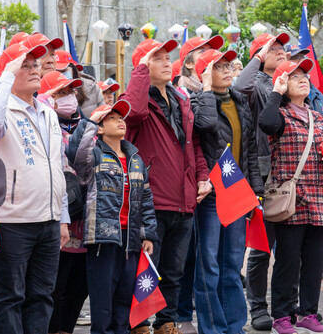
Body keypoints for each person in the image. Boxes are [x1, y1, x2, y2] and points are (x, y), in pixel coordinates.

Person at [120, 39, 211, 334]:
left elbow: (192, 143)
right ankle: (139, 322)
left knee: (174, 269)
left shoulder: (180, 99)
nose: (164, 61)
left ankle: (166, 321)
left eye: (166, 57)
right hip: (151, 199)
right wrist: (140, 74)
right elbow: (131, 113)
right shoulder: (137, 97)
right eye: (156, 58)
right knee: (146, 267)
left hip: (183, 198)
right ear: (142, 66)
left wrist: (201, 176)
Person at [0, 43, 70, 333]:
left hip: (50, 220)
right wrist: (5, 74)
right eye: (25, 66)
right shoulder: (1, 111)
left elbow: (56, 166)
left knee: (42, 297)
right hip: (13, 221)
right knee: (10, 297)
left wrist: (63, 217)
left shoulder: (48, 112)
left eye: (36, 65)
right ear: (8, 72)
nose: (34, 70)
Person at [66, 100, 157, 334]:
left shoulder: (135, 158)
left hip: (131, 240)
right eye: (112, 118)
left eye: (121, 117)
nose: (120, 121)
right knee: (102, 300)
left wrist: (147, 235)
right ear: (100, 127)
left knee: (125, 297)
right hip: (102, 239)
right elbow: (74, 152)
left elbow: (146, 199)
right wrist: (90, 121)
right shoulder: (93, 156)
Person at [190, 50, 264, 333]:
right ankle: (212, 328)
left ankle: (234, 325)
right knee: (209, 264)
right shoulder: (197, 100)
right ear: (204, 73)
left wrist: (255, 190)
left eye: (228, 65)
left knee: (232, 264)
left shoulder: (239, 101)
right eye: (217, 67)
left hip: (237, 191)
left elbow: (250, 148)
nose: (227, 70)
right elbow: (206, 124)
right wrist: (207, 89)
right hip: (210, 195)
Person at [258, 59, 323, 334]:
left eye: (304, 76)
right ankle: (282, 315)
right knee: (287, 260)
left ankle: (308, 312)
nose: (303, 80)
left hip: (318, 199)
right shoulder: (281, 114)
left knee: (315, 259)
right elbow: (266, 123)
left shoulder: (318, 118)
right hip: (291, 201)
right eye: (295, 77)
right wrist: (276, 92)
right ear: (284, 84)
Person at [234, 32, 290, 331]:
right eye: (273, 48)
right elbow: (239, 86)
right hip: (264, 174)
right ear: (259, 55)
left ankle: (288, 308)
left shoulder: (290, 80)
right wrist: (257, 57)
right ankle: (257, 307)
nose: (280, 51)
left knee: (292, 248)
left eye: (283, 48)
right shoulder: (255, 84)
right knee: (262, 245)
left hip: (296, 172)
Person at [36, 71, 88, 334]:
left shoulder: (89, 127)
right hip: (58, 221)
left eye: (70, 92)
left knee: (80, 286)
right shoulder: (43, 125)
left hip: (86, 222)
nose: (68, 98)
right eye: (60, 93)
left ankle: (66, 329)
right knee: (55, 286)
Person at [55, 50, 104, 118]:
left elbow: (103, 117)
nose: (61, 75)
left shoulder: (92, 88)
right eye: (57, 72)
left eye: (64, 70)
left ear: (73, 69)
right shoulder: (47, 93)